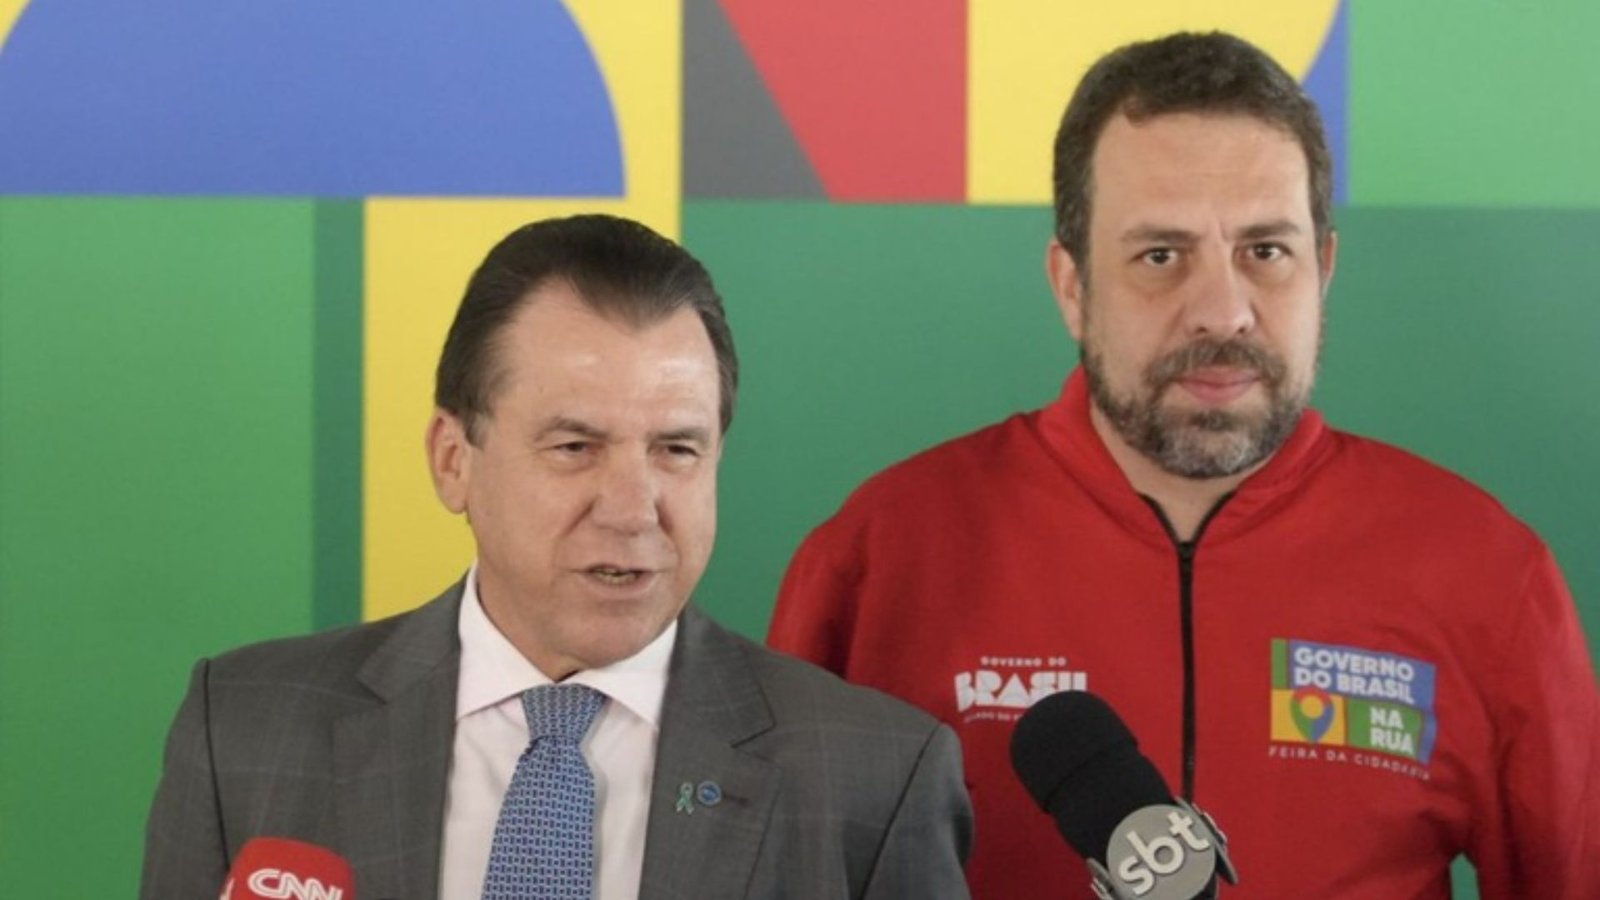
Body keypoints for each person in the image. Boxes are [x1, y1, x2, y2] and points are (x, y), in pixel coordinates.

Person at [769, 31, 1599, 900]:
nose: (1222, 311)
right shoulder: (882, 556)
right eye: (1161, 256)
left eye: (1265, 252)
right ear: (1072, 287)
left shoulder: (1486, 571)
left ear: (1323, 270)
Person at [142, 214, 973, 899]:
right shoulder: (244, 731)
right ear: (453, 461)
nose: (632, 508)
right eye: (576, 447)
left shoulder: (874, 779)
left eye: (677, 450)